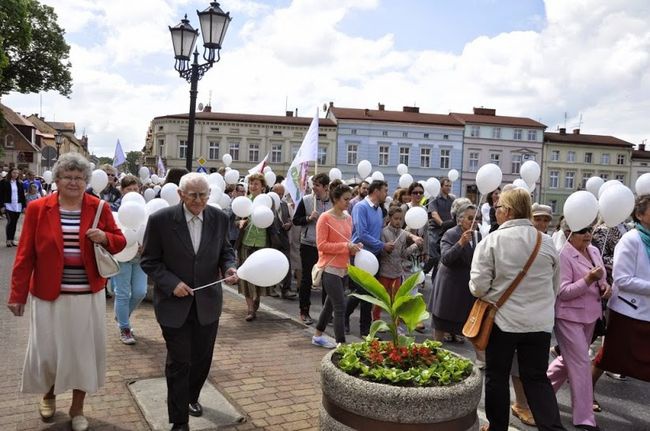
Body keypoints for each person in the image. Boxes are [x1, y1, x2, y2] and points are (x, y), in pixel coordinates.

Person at [7, 153, 126, 431]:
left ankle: (77, 408)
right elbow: (25, 255)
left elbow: (119, 242)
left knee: (82, 353)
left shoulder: (99, 208)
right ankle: (48, 394)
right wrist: (17, 294)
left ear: (86, 181)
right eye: (68, 177)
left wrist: (105, 237)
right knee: (47, 352)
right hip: (49, 294)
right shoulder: (38, 208)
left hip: (87, 295)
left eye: (80, 178)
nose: (74, 182)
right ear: (57, 180)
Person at [141, 172, 238, 431]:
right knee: (179, 360)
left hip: (207, 303)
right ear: (180, 195)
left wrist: (229, 268)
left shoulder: (218, 218)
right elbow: (149, 261)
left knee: (202, 359)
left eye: (203, 195)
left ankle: (191, 396)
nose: (198, 200)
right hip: (174, 306)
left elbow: (226, 250)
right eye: (193, 195)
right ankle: (179, 419)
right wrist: (172, 283)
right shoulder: (160, 220)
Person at [469, 188, 565, 431]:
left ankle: (498, 427)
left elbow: (478, 287)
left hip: (503, 321)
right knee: (536, 378)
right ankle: (552, 428)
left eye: (499, 208)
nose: (497, 212)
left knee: (496, 376)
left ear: (508, 211)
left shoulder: (492, 240)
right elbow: (555, 285)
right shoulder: (547, 242)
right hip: (539, 323)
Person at [546, 221, 610, 431]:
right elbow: (563, 292)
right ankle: (584, 417)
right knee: (582, 363)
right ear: (568, 233)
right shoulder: (563, 255)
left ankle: (538, 394)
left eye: (589, 230)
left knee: (568, 361)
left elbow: (603, 278)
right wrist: (589, 279)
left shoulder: (593, 250)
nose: (588, 234)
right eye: (582, 231)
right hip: (569, 318)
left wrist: (605, 287)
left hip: (591, 316)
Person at [592, 195, 650, 391]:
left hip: (646, 312)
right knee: (608, 358)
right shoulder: (630, 239)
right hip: (628, 311)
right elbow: (622, 279)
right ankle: (585, 393)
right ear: (640, 215)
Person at [312, 180, 362, 348]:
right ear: (335, 199)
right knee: (340, 306)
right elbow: (322, 246)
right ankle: (341, 345)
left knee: (330, 305)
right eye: (346, 199)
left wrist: (353, 248)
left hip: (344, 268)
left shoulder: (348, 218)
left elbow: (347, 241)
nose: (349, 202)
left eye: (350, 199)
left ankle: (318, 335)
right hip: (329, 267)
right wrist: (345, 246)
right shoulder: (324, 218)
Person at [345, 180, 393, 336]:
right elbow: (361, 233)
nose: (387, 194)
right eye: (385, 190)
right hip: (361, 255)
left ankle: (365, 331)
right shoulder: (361, 207)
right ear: (376, 191)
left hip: (374, 256)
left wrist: (382, 246)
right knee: (361, 291)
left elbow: (376, 231)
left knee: (370, 294)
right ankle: (344, 317)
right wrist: (382, 245)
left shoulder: (379, 209)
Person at [431, 202, 480, 343]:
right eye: (470, 218)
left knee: (463, 322)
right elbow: (446, 259)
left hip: (465, 287)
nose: (474, 221)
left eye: (477, 218)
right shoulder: (451, 234)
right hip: (449, 287)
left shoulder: (478, 235)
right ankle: (434, 354)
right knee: (441, 323)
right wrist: (461, 243)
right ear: (460, 219)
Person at [112, 175, 148, 345]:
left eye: (135, 189)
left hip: (141, 258)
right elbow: (112, 233)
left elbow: (150, 231)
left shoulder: (146, 208)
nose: (133, 193)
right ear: (122, 191)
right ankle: (124, 328)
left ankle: (121, 316)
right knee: (123, 293)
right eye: (128, 189)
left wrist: (145, 244)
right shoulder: (115, 209)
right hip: (122, 256)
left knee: (141, 292)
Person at [292, 173, 331, 325]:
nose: (313, 188)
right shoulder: (307, 200)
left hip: (326, 246)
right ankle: (304, 311)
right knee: (307, 278)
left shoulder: (333, 202)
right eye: (313, 185)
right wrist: (308, 218)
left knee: (327, 280)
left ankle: (326, 313)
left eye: (317, 185)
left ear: (326, 187)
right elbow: (296, 220)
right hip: (309, 244)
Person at [374, 206, 422, 322]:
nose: (398, 221)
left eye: (401, 219)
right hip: (384, 273)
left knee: (398, 301)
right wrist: (385, 248)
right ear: (390, 218)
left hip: (398, 273)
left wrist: (415, 245)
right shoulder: (383, 232)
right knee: (380, 300)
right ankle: (376, 321)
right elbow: (378, 251)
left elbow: (404, 254)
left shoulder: (403, 233)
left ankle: (396, 325)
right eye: (396, 218)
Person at [236, 173, 271, 321]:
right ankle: (250, 309)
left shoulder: (268, 202)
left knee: (259, 275)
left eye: (256, 184)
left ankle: (256, 299)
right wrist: (239, 223)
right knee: (246, 275)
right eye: (250, 183)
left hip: (263, 244)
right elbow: (236, 220)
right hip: (246, 243)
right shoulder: (244, 202)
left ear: (262, 187)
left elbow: (273, 222)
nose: (252, 186)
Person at [270, 183, 296, 299]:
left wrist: (289, 224)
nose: (279, 196)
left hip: (284, 239)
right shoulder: (267, 204)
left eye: (281, 194)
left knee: (287, 265)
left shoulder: (285, 205)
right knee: (272, 265)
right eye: (277, 193)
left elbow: (290, 219)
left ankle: (286, 289)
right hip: (272, 240)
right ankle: (271, 287)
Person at [1, 168, 27, 247]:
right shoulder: (4, 182)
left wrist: (24, 206)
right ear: (10, 173)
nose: (15, 175)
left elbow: (22, 196)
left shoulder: (20, 183)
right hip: (8, 205)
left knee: (15, 222)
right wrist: (1, 206)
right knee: (10, 222)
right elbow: (0, 195)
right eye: (14, 173)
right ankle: (8, 240)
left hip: (17, 205)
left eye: (17, 173)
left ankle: (12, 240)